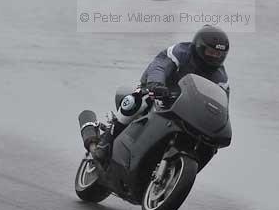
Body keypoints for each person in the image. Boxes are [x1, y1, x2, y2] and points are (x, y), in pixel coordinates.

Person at [88, 25, 230, 164]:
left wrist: (217, 127)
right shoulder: (179, 52)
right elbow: (160, 66)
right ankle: (105, 142)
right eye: (210, 52)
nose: (213, 57)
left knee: (209, 145)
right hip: (161, 91)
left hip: (187, 107)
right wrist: (157, 85)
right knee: (136, 101)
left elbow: (221, 105)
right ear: (199, 47)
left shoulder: (221, 80)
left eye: (218, 54)